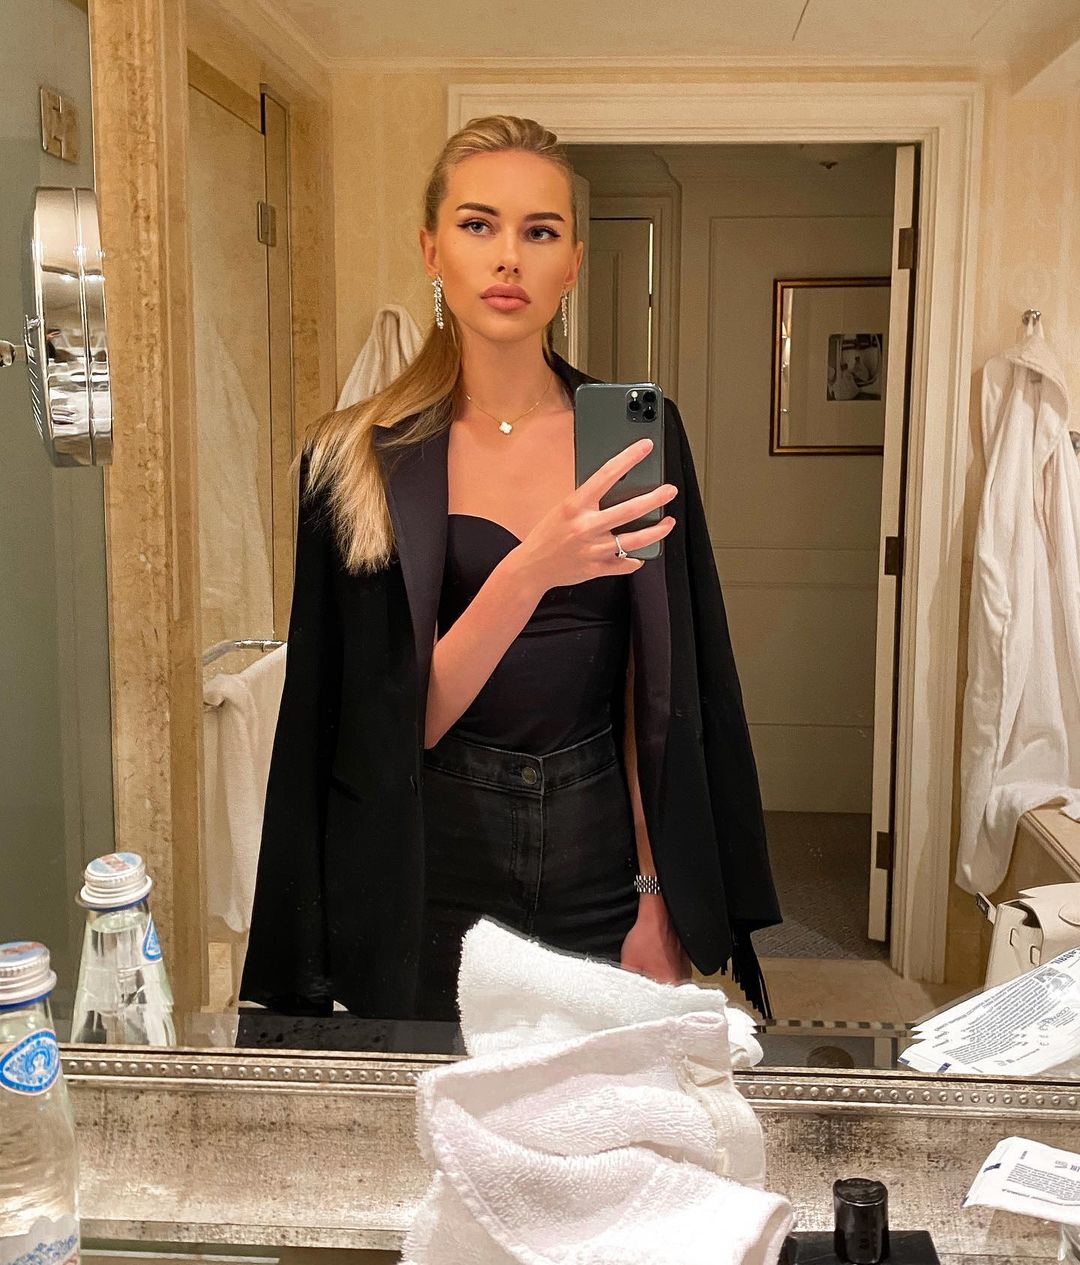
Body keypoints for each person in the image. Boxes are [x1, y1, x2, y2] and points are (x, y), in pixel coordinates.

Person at [240, 114, 780, 1024]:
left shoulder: (635, 435)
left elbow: (657, 687)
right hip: (432, 852)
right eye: (477, 224)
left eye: (540, 231)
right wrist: (530, 570)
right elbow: (387, 727)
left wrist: (654, 894)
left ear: (572, 265)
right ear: (431, 249)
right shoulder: (355, 459)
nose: (508, 258)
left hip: (600, 843)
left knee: (593, 1094)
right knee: (440, 1092)